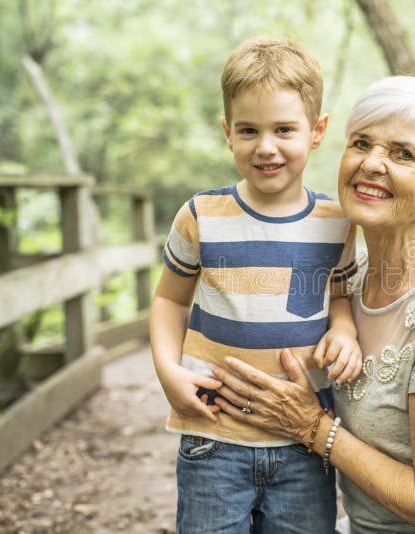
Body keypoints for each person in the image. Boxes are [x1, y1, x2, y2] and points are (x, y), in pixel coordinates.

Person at [210, 76, 415, 533]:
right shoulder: (343, 279)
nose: (372, 164)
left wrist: (312, 427)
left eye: (402, 154)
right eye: (361, 143)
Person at [149, 37, 362, 533]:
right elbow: (168, 300)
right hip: (213, 438)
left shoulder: (337, 223)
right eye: (249, 130)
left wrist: (345, 332)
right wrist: (167, 370)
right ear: (228, 133)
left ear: (317, 131)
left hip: (303, 445)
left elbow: (339, 295)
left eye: (284, 129)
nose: (265, 146)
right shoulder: (201, 216)